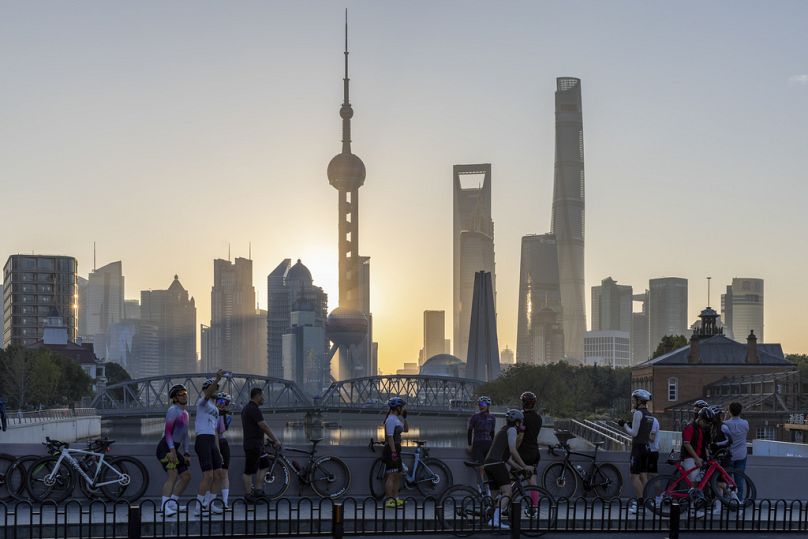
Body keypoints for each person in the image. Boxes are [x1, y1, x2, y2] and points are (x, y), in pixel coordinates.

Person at [483, 409, 530, 530]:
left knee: (494, 497)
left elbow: (507, 458)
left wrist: (520, 468)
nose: (522, 425)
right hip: (497, 464)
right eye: (521, 422)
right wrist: (525, 466)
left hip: (488, 464)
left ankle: (491, 515)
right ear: (517, 422)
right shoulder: (512, 430)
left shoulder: (503, 429)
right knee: (508, 492)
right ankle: (496, 520)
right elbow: (513, 451)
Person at [156, 384, 192, 517]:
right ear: (175, 398)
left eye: (185, 393)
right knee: (173, 475)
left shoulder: (185, 413)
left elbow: (186, 434)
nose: (184, 395)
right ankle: (164, 508)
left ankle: (172, 503)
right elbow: (168, 432)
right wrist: (171, 451)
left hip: (174, 448)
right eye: (181, 394)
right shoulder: (173, 410)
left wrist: (187, 452)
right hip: (165, 447)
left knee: (186, 476)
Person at [241, 387, 281, 501]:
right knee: (248, 471)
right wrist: (275, 440)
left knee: (264, 465)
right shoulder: (253, 409)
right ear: (257, 396)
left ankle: (258, 491)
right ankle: (248, 496)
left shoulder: (247, 408)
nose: (264, 398)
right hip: (252, 445)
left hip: (258, 445)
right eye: (262, 396)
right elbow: (263, 426)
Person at [194, 370, 225, 515]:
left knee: (219, 474)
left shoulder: (216, 410)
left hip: (212, 441)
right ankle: (198, 508)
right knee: (208, 476)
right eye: (213, 388)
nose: (216, 390)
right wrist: (218, 378)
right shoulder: (202, 403)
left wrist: (218, 451)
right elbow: (207, 395)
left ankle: (211, 504)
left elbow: (215, 432)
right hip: (202, 440)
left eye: (217, 388)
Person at [619, 389, 655, 514]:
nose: (633, 402)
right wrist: (631, 424)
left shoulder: (637, 413)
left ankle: (641, 504)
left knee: (634, 477)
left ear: (640, 401)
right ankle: (646, 502)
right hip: (646, 447)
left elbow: (633, 433)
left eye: (634, 400)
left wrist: (624, 425)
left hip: (638, 448)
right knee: (643, 476)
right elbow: (644, 431)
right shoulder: (650, 414)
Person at [518, 391, 543, 510]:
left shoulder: (522, 417)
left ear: (523, 403)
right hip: (534, 452)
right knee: (532, 482)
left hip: (523, 452)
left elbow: (520, 437)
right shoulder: (538, 418)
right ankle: (534, 507)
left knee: (510, 478)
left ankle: (506, 503)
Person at [383, 396, 409, 508]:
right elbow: (389, 437)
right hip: (391, 449)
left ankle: (396, 498)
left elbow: (406, 430)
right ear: (397, 407)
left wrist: (405, 418)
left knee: (398, 474)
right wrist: (393, 452)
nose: (402, 409)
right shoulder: (390, 419)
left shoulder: (396, 419)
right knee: (391, 475)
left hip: (397, 449)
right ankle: (389, 500)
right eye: (401, 407)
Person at [722, 402, 749, 501]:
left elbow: (722, 430)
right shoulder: (745, 423)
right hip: (741, 455)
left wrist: (725, 416)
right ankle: (739, 501)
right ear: (740, 411)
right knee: (739, 480)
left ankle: (728, 501)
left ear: (729, 411)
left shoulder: (726, 424)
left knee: (727, 481)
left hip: (729, 456)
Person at [467, 396, 496, 484]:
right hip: (477, 444)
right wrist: (469, 444)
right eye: (479, 404)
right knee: (480, 467)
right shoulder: (475, 417)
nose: (481, 406)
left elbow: (492, 433)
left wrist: (493, 446)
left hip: (488, 444)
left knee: (488, 466)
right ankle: (481, 487)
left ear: (488, 405)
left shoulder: (493, 418)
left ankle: (487, 488)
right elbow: (470, 430)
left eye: (483, 404)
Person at [681, 407, 713, 483]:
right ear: (699, 418)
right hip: (689, 458)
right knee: (694, 482)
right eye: (705, 422)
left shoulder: (700, 429)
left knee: (700, 482)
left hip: (697, 458)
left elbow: (703, 445)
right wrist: (696, 458)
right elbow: (687, 444)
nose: (706, 424)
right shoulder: (690, 427)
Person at [215, 392, 233, 510]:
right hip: (214, 444)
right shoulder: (212, 414)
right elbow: (215, 432)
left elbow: (221, 431)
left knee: (225, 474)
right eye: (220, 402)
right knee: (213, 474)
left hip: (223, 443)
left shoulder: (228, 416)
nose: (223, 405)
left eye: (225, 403)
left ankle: (225, 502)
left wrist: (222, 415)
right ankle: (208, 502)